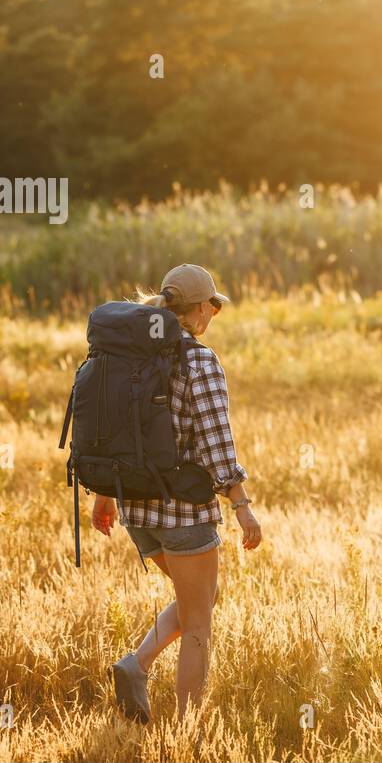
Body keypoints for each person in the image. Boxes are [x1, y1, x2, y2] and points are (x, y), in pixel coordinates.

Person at [92, 263, 262, 722]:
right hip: (183, 512)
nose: (216, 312)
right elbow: (216, 443)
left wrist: (105, 492)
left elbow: (110, 426)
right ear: (201, 308)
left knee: (200, 600)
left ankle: (135, 664)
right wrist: (242, 506)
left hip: (136, 510)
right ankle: (189, 732)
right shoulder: (199, 360)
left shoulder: (128, 354)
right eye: (215, 305)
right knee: (200, 624)